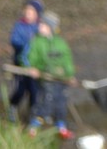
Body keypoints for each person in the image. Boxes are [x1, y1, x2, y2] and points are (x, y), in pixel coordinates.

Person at [26, 10, 77, 141]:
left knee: (61, 103)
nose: (40, 27)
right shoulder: (36, 42)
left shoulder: (60, 42)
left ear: (51, 27)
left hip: (60, 80)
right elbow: (29, 57)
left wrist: (69, 75)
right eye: (40, 24)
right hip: (45, 79)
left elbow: (67, 60)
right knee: (45, 102)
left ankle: (61, 127)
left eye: (43, 25)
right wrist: (33, 68)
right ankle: (33, 127)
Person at [6, 0, 43, 122]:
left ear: (37, 14)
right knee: (20, 90)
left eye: (31, 11)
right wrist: (27, 43)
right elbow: (14, 40)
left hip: (35, 67)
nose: (28, 13)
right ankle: (12, 107)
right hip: (20, 66)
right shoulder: (20, 26)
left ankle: (33, 114)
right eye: (26, 10)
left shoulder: (40, 27)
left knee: (34, 91)